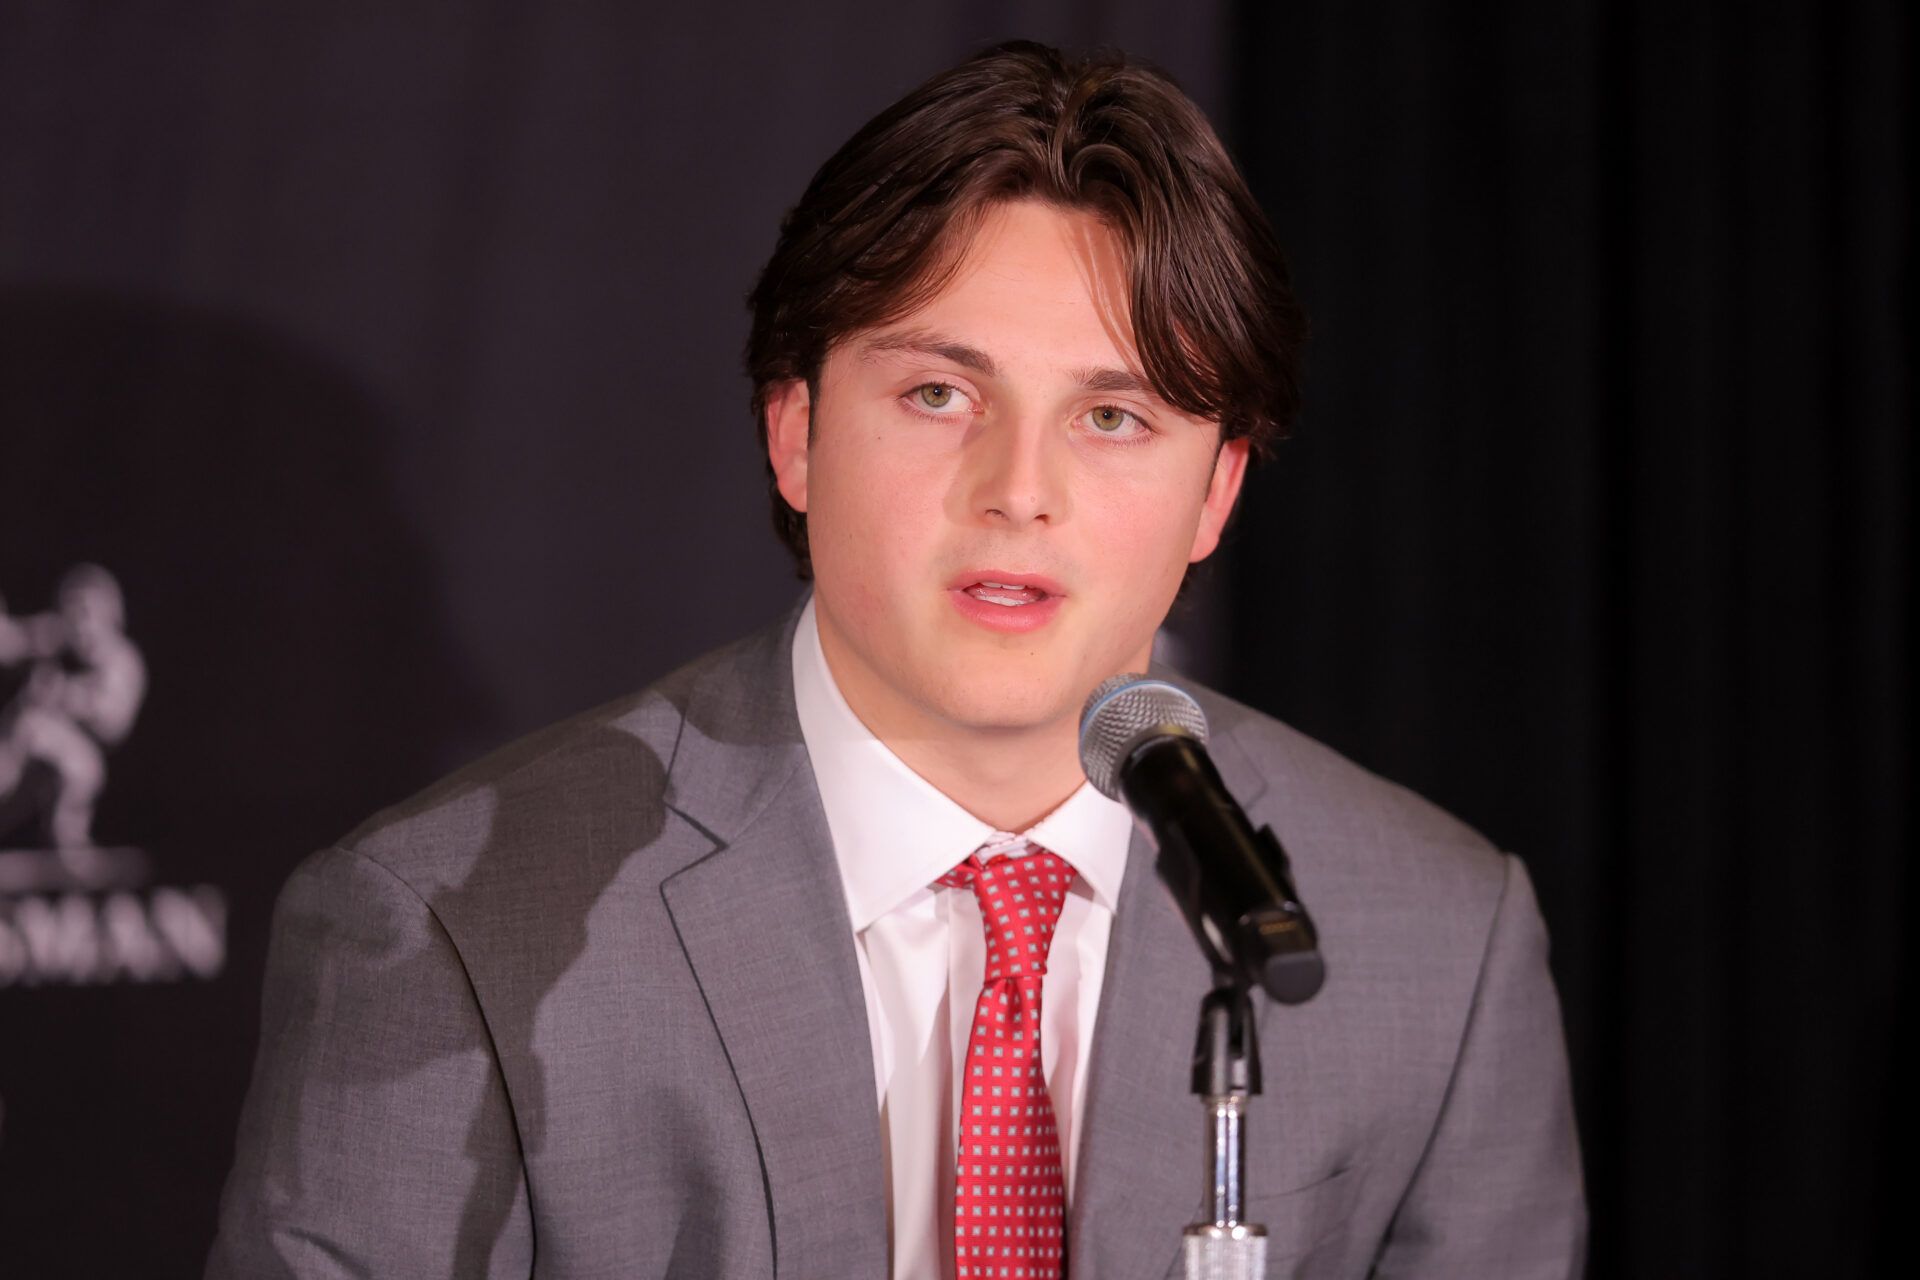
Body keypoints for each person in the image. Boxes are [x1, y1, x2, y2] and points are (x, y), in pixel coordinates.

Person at [210, 41, 1585, 1280]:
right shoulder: (450, 928)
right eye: (940, 394)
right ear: (796, 433)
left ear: (1217, 493)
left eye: (1114, 417)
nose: (1019, 490)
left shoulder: (1440, 940)